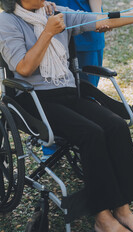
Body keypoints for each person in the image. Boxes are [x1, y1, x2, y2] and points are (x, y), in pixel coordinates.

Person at [0, 0, 133, 232]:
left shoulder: (55, 12)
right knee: (91, 133)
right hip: (34, 100)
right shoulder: (7, 22)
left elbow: (102, 21)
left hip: (66, 92)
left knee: (116, 126)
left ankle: (123, 209)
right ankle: (102, 218)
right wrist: (47, 33)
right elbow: (23, 68)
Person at [42, 0, 106, 158]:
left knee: (86, 95)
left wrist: (98, 15)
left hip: (87, 30)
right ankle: (51, 146)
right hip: (52, 25)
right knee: (51, 92)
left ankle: (86, 146)